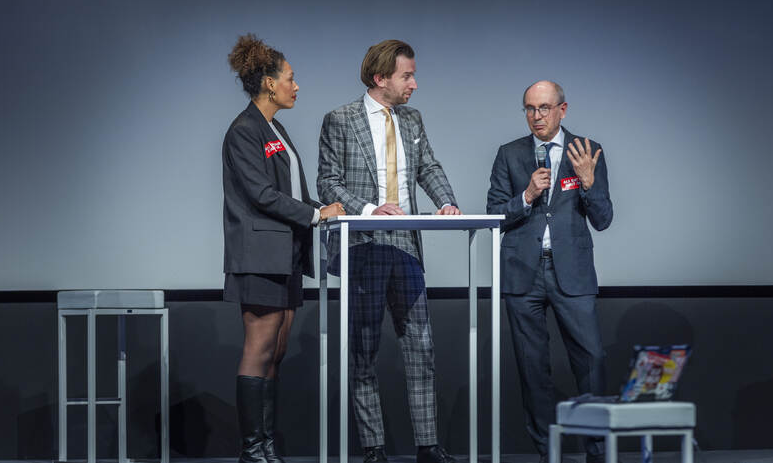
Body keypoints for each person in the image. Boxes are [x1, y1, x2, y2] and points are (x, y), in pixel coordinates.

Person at [317, 40, 460, 463]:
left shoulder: (412, 119)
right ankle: (374, 449)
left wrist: (445, 201)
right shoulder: (340, 119)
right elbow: (328, 181)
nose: (414, 84)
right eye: (406, 76)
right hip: (364, 241)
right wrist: (367, 210)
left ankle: (428, 446)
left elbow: (428, 167)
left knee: (422, 346)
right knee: (363, 350)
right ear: (381, 79)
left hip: (406, 244)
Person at [223, 33, 344, 463]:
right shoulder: (244, 130)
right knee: (259, 348)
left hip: (287, 254)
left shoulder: (277, 128)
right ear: (269, 83)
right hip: (259, 256)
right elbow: (260, 193)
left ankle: (267, 445)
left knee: (278, 349)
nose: (297, 86)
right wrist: (316, 215)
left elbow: (290, 191)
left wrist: (323, 208)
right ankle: (252, 450)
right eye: (291, 79)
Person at [486, 80, 613, 463]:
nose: (536, 117)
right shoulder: (509, 154)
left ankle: (597, 452)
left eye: (543, 108)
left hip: (571, 273)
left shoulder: (587, 151)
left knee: (591, 362)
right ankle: (547, 453)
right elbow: (493, 214)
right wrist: (526, 196)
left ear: (563, 109)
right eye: (529, 109)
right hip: (522, 274)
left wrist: (589, 184)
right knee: (532, 368)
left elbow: (604, 219)